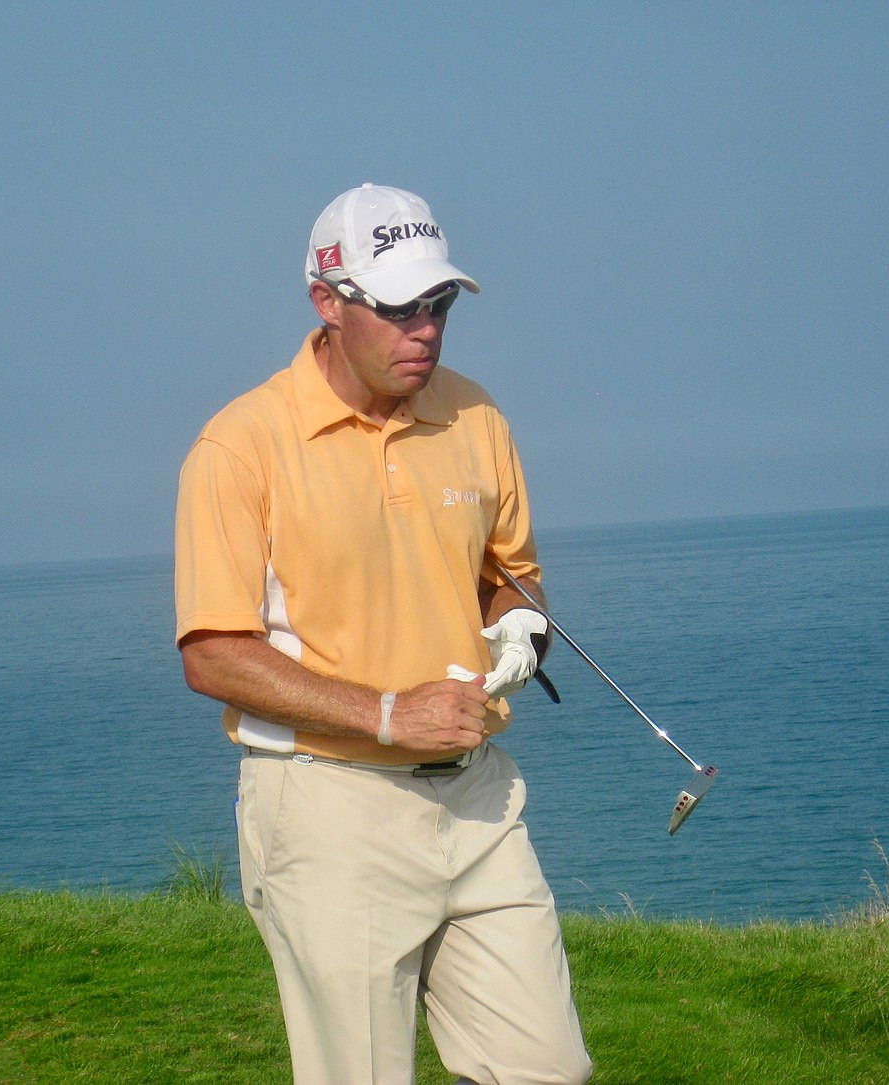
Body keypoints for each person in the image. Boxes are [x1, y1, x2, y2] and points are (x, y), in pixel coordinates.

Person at [174, 182, 593, 1085]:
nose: (426, 329)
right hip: (327, 805)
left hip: (478, 798)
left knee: (549, 1068)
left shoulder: (476, 416)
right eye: (400, 307)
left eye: (437, 304)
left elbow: (508, 576)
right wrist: (389, 712)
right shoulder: (239, 445)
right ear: (328, 302)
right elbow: (212, 653)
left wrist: (520, 625)